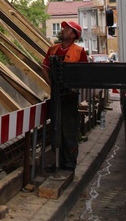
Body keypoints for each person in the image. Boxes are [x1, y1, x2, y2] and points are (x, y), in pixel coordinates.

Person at [42, 20, 88, 172]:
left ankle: (69, 163)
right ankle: (58, 162)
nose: (62, 31)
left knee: (68, 129)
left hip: (69, 97)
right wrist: (53, 86)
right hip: (56, 96)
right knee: (56, 128)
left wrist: (73, 88)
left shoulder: (79, 51)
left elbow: (83, 74)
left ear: (73, 34)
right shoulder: (53, 49)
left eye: (66, 29)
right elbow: (45, 68)